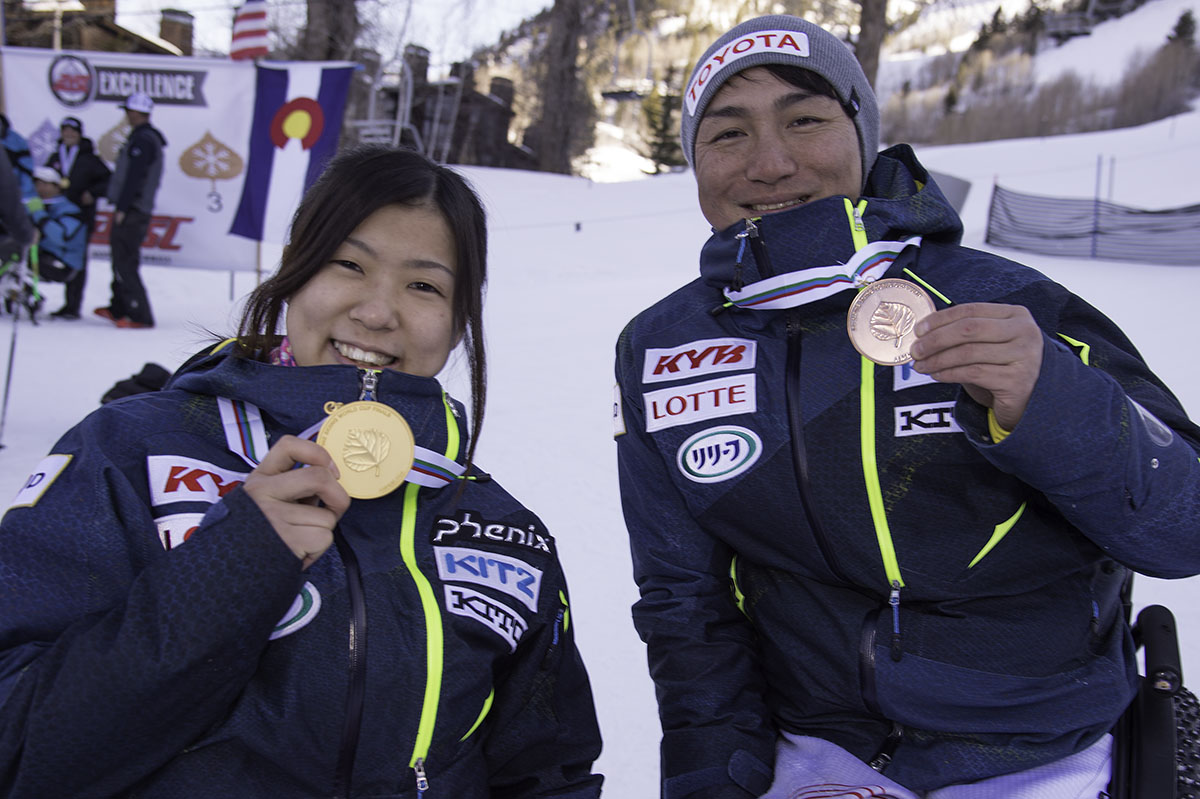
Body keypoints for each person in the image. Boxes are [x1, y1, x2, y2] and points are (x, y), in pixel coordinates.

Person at [612, 14, 1200, 799]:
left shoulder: (1006, 297)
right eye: (726, 134)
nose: (771, 161)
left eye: (806, 119)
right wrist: (714, 777)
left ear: (863, 133)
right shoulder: (661, 347)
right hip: (822, 752)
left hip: (1045, 750)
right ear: (692, 164)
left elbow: (1184, 525)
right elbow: (686, 605)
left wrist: (1052, 400)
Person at [0, 144, 604, 798]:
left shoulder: (503, 530)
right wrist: (236, 562)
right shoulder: (128, 450)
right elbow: (21, 747)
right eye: (348, 264)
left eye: (424, 285)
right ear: (295, 271)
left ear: (459, 322)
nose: (377, 311)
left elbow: (549, 774)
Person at [98, 91, 166, 329]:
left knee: (125, 260)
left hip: (133, 209)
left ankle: (139, 315)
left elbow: (134, 177)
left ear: (137, 112)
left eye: (128, 111)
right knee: (120, 258)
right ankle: (119, 306)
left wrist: (123, 207)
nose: (126, 116)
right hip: (133, 208)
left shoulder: (144, 140)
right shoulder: (142, 137)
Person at [45, 115, 111, 320]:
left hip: (81, 218)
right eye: (65, 130)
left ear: (80, 134)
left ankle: (73, 305)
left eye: (73, 131)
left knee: (78, 262)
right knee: (59, 257)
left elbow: (108, 181)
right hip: (59, 217)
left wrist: (92, 193)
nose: (69, 134)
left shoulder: (90, 159)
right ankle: (65, 303)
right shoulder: (55, 157)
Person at [26, 165, 86, 286]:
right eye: (37, 184)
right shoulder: (34, 204)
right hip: (40, 254)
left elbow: (61, 237)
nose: (40, 188)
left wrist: (39, 215)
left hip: (63, 264)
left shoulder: (70, 209)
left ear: (57, 187)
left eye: (45, 184)